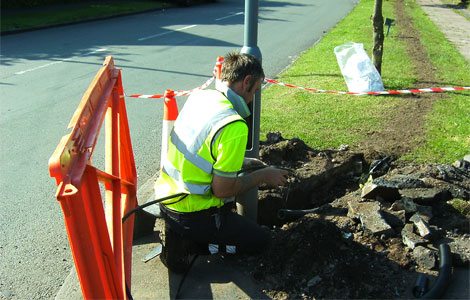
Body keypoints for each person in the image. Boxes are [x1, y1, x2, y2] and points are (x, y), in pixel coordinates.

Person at [154, 52, 289, 274]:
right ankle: (198, 245)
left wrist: (244, 162)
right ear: (246, 81)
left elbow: (201, 152)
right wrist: (264, 176)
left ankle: (184, 237)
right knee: (262, 241)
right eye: (254, 91)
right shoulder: (233, 125)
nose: (252, 99)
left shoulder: (201, 98)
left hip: (167, 200)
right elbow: (222, 190)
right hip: (194, 214)